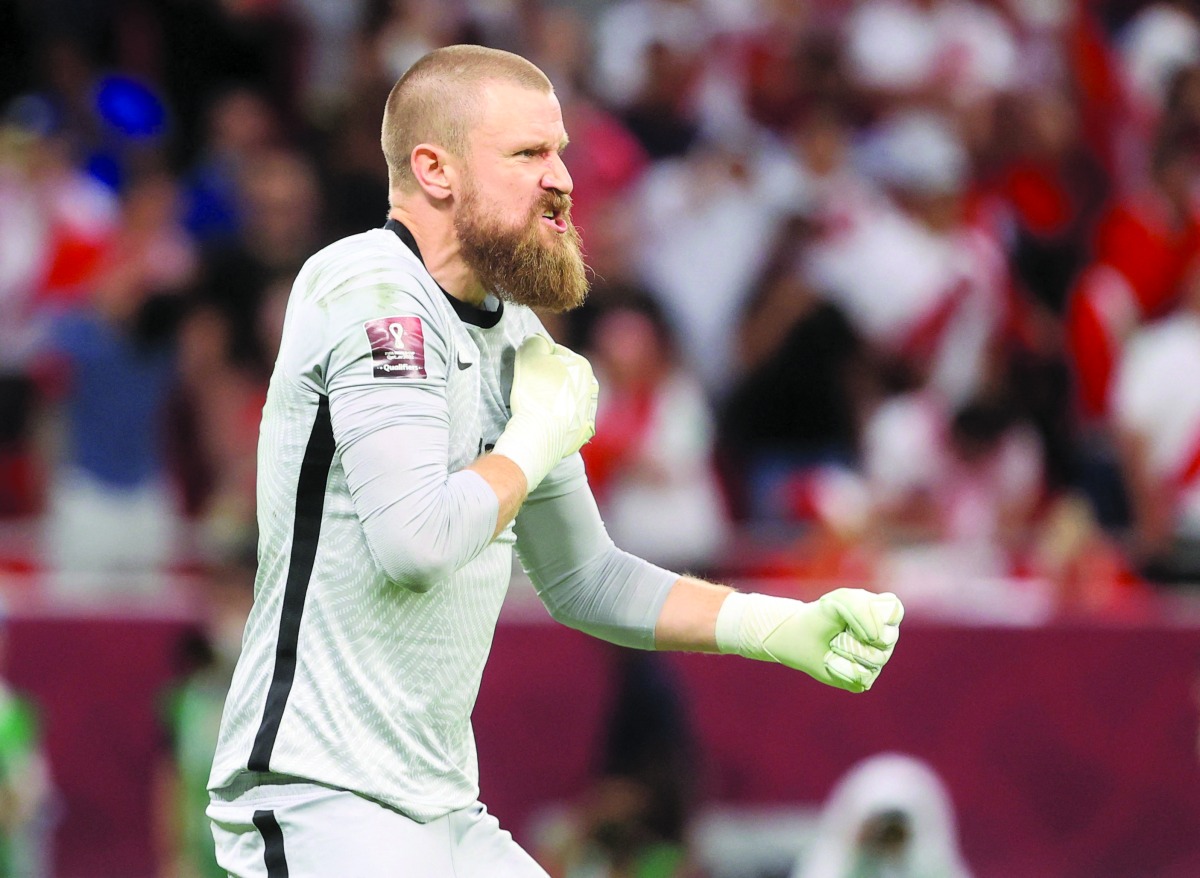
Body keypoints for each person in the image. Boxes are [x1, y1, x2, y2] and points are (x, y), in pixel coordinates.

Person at [206, 44, 905, 877]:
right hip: (320, 800)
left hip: (441, 808)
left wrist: (776, 625)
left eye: (561, 151)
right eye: (529, 153)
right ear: (435, 170)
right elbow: (415, 543)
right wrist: (534, 438)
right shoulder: (370, 288)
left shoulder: (515, 340)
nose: (563, 180)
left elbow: (585, 578)